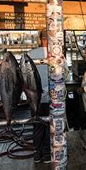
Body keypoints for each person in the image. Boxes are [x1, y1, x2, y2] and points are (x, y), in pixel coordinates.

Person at [27, 29, 51, 163]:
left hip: (34, 97)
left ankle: (37, 153)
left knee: (37, 125)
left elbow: (24, 79)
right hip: (51, 97)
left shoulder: (30, 54)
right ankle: (47, 153)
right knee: (49, 124)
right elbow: (63, 75)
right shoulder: (57, 54)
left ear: (41, 39)